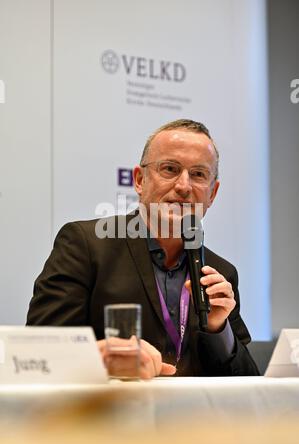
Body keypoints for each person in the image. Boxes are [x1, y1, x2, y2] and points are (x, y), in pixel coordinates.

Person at [26, 119, 259, 378]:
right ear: (139, 180)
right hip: (106, 415)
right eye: (170, 169)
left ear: (212, 194)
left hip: (192, 419)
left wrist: (218, 329)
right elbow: (38, 353)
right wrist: (101, 359)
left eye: (198, 174)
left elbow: (250, 382)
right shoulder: (85, 244)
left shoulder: (221, 273)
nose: (184, 186)